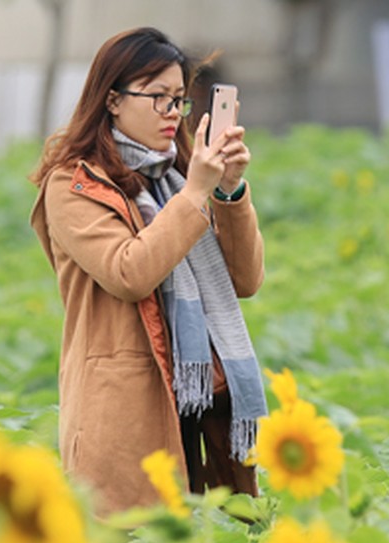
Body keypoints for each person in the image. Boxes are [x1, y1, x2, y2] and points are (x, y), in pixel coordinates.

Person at [30, 27, 267, 516]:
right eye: (157, 97)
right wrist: (196, 195)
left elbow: (245, 280)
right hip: (126, 410)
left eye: (179, 100)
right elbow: (129, 271)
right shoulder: (73, 184)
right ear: (113, 100)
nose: (171, 114)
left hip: (197, 410)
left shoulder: (176, 176)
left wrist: (228, 192)